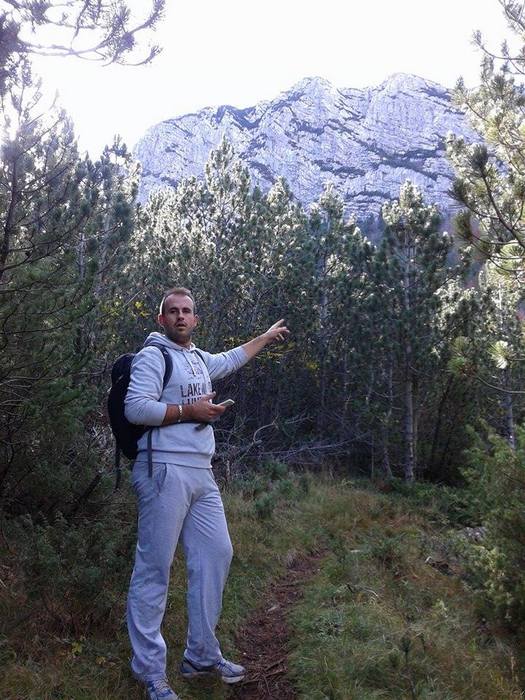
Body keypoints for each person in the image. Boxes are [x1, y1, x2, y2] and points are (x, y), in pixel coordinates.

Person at [124, 286, 289, 700]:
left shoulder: (197, 359)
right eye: (173, 311)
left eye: (187, 311)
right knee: (154, 569)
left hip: (202, 472)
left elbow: (231, 359)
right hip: (163, 469)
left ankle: (199, 655)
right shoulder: (153, 356)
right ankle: (150, 673)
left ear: (196, 319)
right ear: (161, 319)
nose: (180, 316)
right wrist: (189, 412)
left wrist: (266, 337)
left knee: (217, 553)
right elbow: (136, 409)